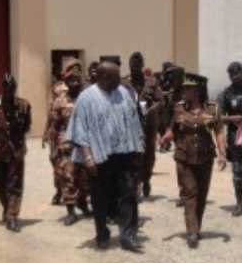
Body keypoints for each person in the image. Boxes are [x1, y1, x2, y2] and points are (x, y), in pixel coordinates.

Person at [69, 56, 145, 252]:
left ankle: (128, 237)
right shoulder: (86, 98)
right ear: (102, 77)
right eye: (115, 76)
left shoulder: (124, 94)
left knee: (128, 195)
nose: (120, 80)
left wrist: (138, 148)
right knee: (100, 198)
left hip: (124, 154)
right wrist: (87, 157)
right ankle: (102, 233)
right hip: (99, 157)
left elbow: (134, 122)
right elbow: (80, 130)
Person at [160, 73, 226, 248]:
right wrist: (166, 137)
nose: (184, 91)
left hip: (205, 157)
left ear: (197, 90)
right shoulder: (179, 108)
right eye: (184, 88)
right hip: (184, 157)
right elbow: (173, 129)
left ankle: (196, 227)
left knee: (202, 195)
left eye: (188, 89)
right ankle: (191, 232)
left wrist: (222, 153)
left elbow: (218, 131)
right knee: (190, 193)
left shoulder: (212, 108)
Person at [0, 73, 33, 232]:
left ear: (15, 88)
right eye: (6, 88)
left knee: (15, 184)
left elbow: (26, 127)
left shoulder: (24, 106)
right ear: (2, 88)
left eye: (12, 88)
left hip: (16, 150)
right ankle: (7, 206)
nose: (9, 92)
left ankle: (12, 215)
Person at [47, 61, 92, 225]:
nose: (74, 82)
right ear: (65, 82)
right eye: (71, 79)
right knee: (68, 178)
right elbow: (54, 125)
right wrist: (53, 148)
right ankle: (71, 211)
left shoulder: (88, 98)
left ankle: (83, 202)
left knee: (86, 178)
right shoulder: (59, 101)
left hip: (86, 144)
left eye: (77, 79)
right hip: (66, 145)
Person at [123, 52, 162, 200]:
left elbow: (160, 100)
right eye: (133, 65)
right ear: (129, 66)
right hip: (130, 126)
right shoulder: (124, 83)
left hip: (148, 125)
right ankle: (136, 184)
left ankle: (146, 179)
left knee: (149, 155)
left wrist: (151, 110)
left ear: (142, 65)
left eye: (138, 65)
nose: (135, 68)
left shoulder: (151, 82)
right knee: (134, 155)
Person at [45, 57, 82, 206]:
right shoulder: (59, 92)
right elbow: (53, 119)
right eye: (71, 69)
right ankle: (62, 194)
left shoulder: (87, 93)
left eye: (77, 69)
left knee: (82, 174)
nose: (75, 72)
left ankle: (81, 200)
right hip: (65, 139)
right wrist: (49, 140)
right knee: (62, 169)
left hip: (83, 140)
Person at [219, 61, 242, 216]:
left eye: (236, 73)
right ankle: (240, 203)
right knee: (238, 170)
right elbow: (218, 117)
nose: (234, 77)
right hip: (236, 136)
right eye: (231, 74)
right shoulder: (227, 93)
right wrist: (233, 118)